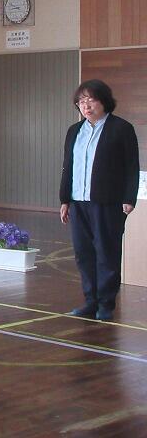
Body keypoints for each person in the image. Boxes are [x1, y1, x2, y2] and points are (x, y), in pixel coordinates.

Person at [59, 79, 139, 321]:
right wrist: (65, 199)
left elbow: (131, 167)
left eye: (91, 100)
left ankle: (106, 303)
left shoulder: (121, 128)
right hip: (78, 201)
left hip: (107, 202)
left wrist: (129, 197)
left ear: (104, 101)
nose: (86, 106)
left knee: (107, 252)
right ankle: (90, 300)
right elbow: (68, 167)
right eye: (81, 101)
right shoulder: (74, 131)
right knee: (83, 253)